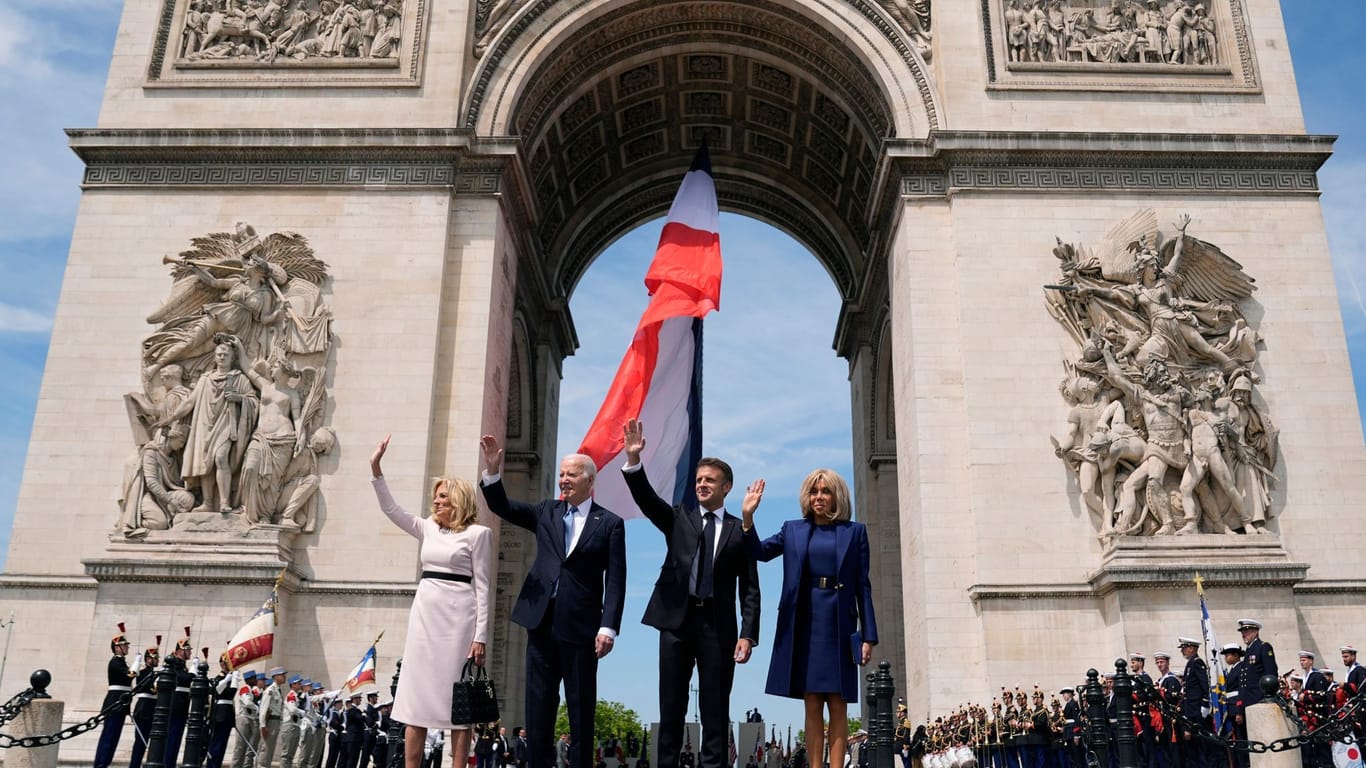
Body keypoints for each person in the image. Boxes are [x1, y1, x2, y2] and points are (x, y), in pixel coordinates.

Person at [479, 435, 627, 768]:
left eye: (570, 475)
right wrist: (492, 472)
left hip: (582, 630)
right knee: (538, 709)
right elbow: (504, 507)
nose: (563, 480)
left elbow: (616, 581)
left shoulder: (611, 524)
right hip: (541, 623)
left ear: (589, 480)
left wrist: (609, 627)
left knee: (580, 710)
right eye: (561, 474)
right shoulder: (546, 511)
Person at [620, 419, 762, 768]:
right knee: (671, 706)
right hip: (676, 624)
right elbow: (647, 501)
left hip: (718, 627)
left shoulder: (738, 530)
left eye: (709, 480)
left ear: (726, 487)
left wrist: (748, 634)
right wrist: (634, 461)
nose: (701, 484)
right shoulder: (678, 517)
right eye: (699, 480)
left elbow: (751, 587)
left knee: (715, 707)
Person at [742, 469, 877, 768]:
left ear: (836, 496)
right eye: (814, 491)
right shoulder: (792, 530)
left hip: (839, 622)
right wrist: (748, 519)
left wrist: (868, 636)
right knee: (812, 701)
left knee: (838, 703)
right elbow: (760, 552)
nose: (819, 497)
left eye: (825, 491)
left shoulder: (855, 533)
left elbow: (862, 586)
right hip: (804, 622)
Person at [370, 435, 492, 768]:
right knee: (416, 697)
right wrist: (376, 469)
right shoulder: (426, 528)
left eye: (441, 497)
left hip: (459, 618)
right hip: (426, 613)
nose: (435, 502)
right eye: (435, 497)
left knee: (459, 700)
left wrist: (480, 636)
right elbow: (391, 509)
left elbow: (483, 586)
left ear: (457, 500)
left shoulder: (478, 534)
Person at [93, 623, 133, 768]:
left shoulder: (121, 662)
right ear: (117, 648)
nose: (127, 648)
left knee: (114, 738)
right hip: (115, 703)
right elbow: (129, 676)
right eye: (125, 646)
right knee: (109, 737)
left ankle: (104, 763)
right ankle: (100, 765)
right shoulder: (115, 662)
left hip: (120, 704)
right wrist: (137, 665)